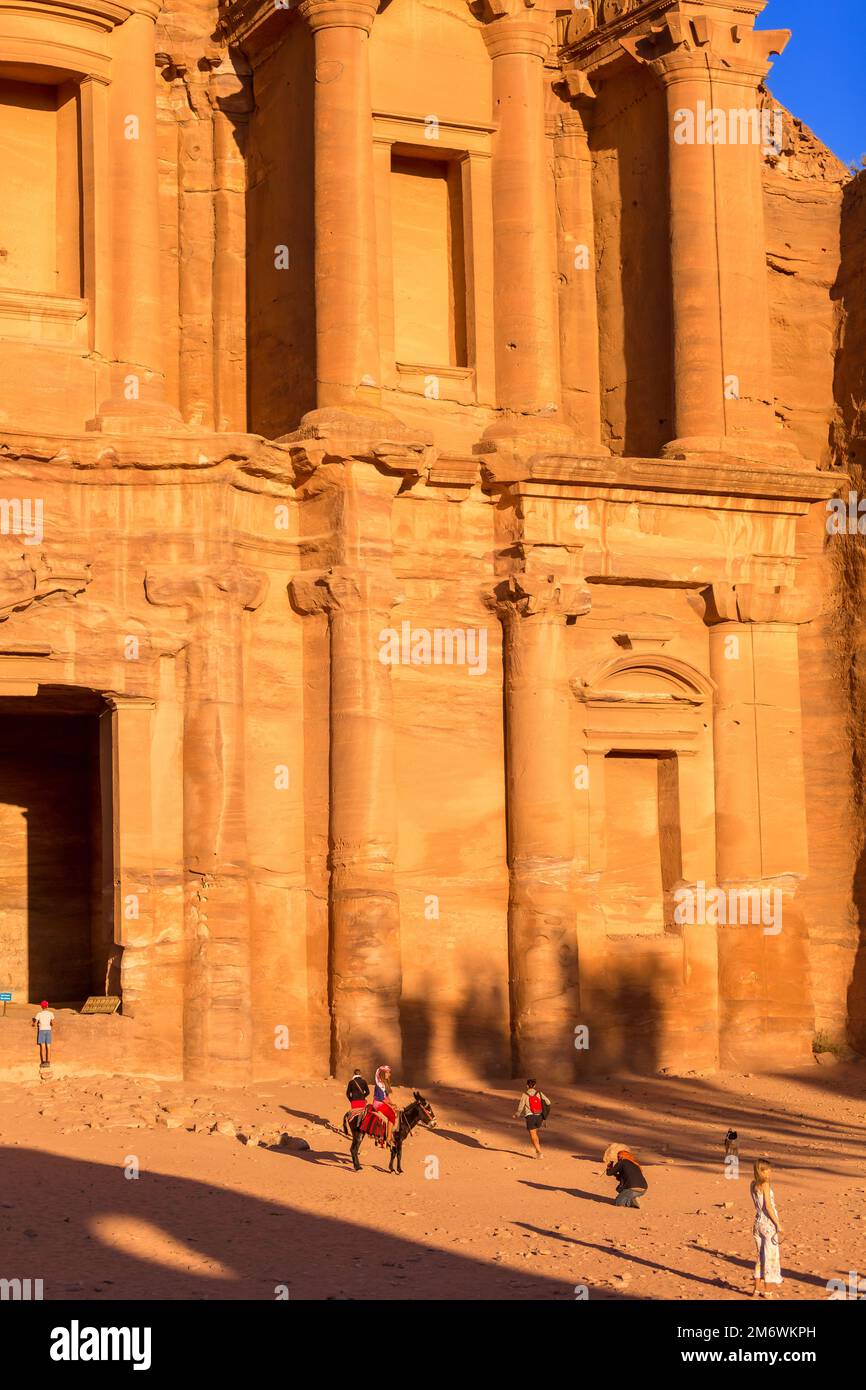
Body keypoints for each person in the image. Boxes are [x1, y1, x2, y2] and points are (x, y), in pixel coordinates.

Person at [750, 1158, 783, 1297]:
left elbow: (757, 1205)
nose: (770, 1172)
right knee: (770, 1258)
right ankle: (768, 1291)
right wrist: (778, 1224)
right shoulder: (765, 1184)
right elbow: (768, 1207)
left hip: (757, 1223)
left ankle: (756, 1290)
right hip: (768, 1224)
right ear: (761, 1170)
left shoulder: (752, 1184)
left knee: (760, 1257)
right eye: (767, 1169)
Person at [514, 1079, 550, 1157]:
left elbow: (521, 1106)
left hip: (530, 1116)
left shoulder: (525, 1094)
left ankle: (539, 1152)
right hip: (539, 1116)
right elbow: (548, 1102)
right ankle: (538, 1149)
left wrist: (517, 1114)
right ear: (534, 1086)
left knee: (533, 1135)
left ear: (527, 1085)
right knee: (535, 1134)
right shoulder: (539, 1093)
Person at [32, 1000, 55, 1068]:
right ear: (47, 1006)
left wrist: (33, 1023)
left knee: (42, 1046)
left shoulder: (39, 1014)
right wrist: (50, 1023)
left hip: (42, 1030)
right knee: (48, 1046)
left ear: (41, 1006)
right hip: (48, 1030)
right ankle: (48, 1062)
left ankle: (43, 1062)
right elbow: (51, 1022)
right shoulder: (50, 1013)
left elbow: (35, 1022)